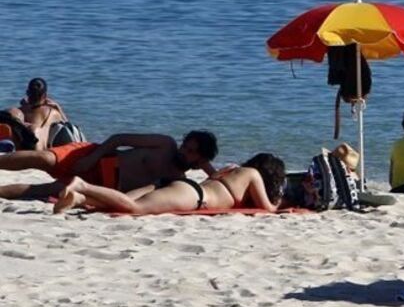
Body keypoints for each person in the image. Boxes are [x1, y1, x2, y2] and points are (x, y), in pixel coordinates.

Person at [0, 130, 218, 200]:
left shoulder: (178, 181)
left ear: (199, 160)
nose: (183, 151)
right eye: (185, 146)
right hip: (97, 157)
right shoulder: (165, 145)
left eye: (190, 152)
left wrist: (212, 171)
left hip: (103, 187)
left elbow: (216, 182)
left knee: (44, 190)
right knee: (45, 159)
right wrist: (91, 158)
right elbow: (118, 139)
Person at [53, 153, 284, 215]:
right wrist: (282, 201)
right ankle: (83, 186)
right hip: (193, 196)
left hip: (184, 185)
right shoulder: (253, 174)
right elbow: (267, 209)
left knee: (121, 202)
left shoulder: (232, 170)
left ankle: (80, 199)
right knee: (135, 209)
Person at [5, 78, 67, 151]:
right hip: (38, 152)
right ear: (45, 95)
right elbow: (68, 128)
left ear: (27, 93)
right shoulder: (52, 113)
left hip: (16, 151)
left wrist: (25, 106)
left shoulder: (18, 111)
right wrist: (58, 108)